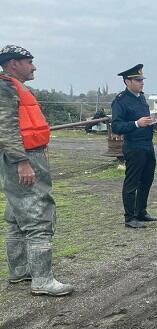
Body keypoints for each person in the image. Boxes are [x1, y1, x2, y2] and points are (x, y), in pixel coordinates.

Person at [0, 45, 74, 296]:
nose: (34, 66)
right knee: (38, 214)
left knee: (17, 215)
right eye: (28, 62)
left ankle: (20, 271)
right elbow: (6, 128)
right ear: (12, 64)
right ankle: (42, 280)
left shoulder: (12, 86)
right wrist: (22, 161)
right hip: (23, 158)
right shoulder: (5, 87)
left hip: (24, 156)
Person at [111, 64, 157, 229]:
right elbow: (116, 126)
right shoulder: (120, 101)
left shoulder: (141, 98)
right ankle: (129, 217)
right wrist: (136, 124)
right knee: (132, 183)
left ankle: (141, 212)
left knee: (147, 180)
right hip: (133, 147)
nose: (141, 83)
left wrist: (152, 123)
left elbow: (144, 120)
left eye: (142, 80)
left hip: (147, 145)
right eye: (138, 80)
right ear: (127, 81)